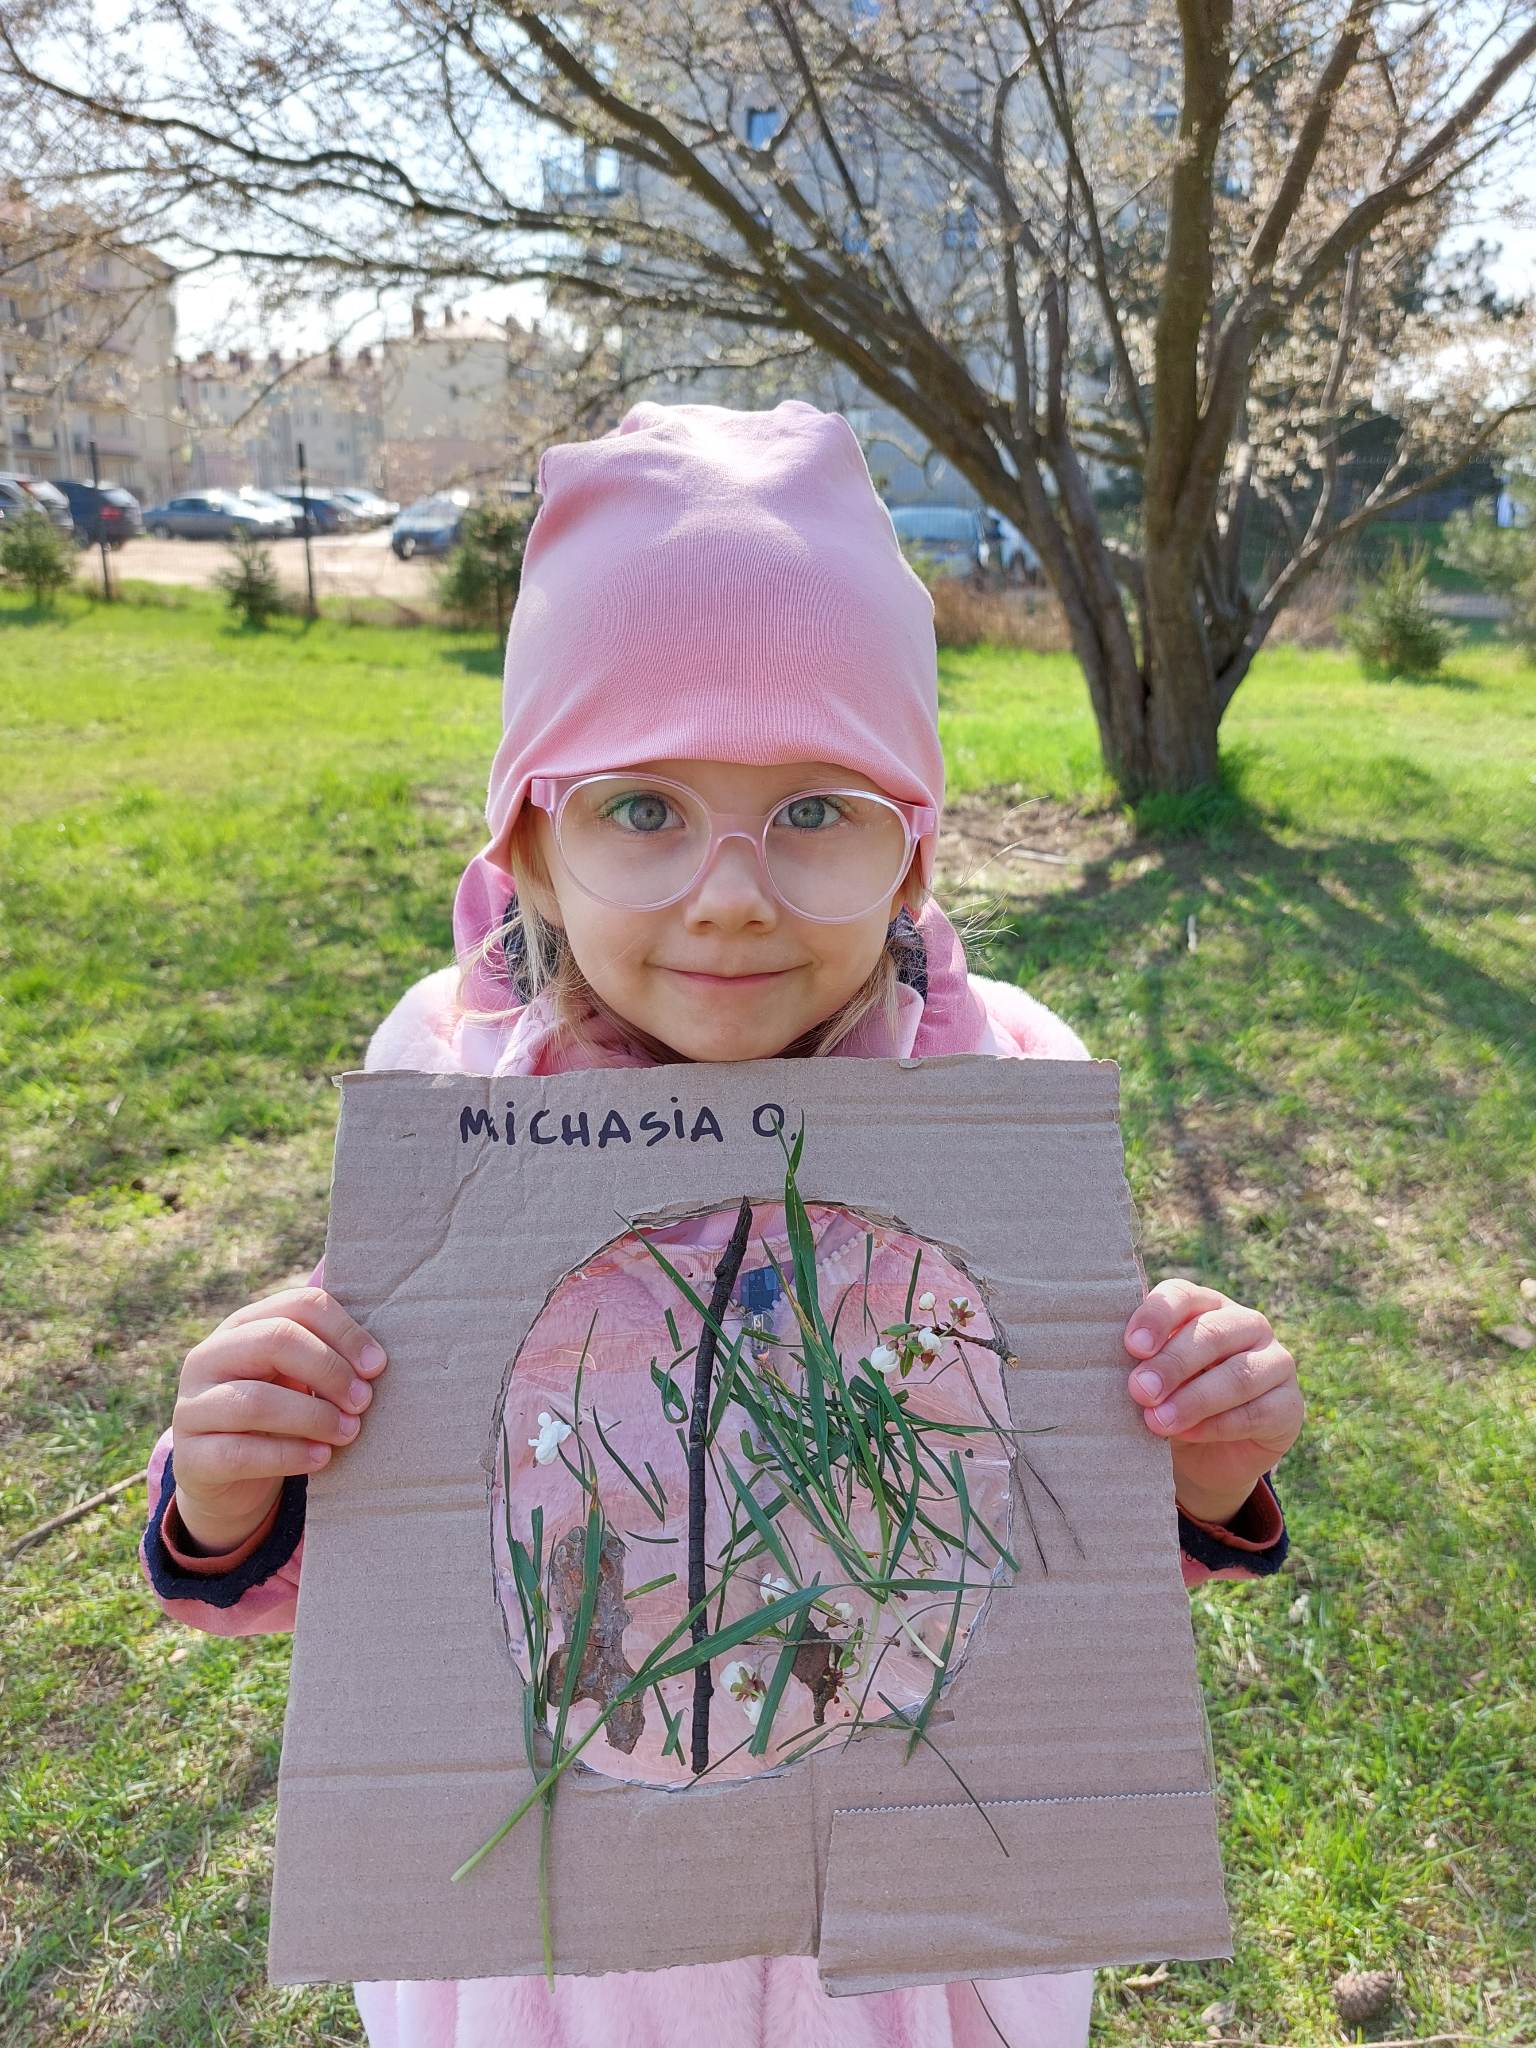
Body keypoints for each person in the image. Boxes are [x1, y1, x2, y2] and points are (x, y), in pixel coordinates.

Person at [140, 399, 1303, 2048]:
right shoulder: (453, 1097)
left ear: (914, 852)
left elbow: (1054, 1557)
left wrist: (1202, 1472)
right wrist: (230, 1491)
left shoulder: (1004, 1090)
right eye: (643, 810)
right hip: (557, 1970)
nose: (735, 893)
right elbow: (404, 1544)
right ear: (532, 847)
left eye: (818, 809)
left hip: (910, 1964)